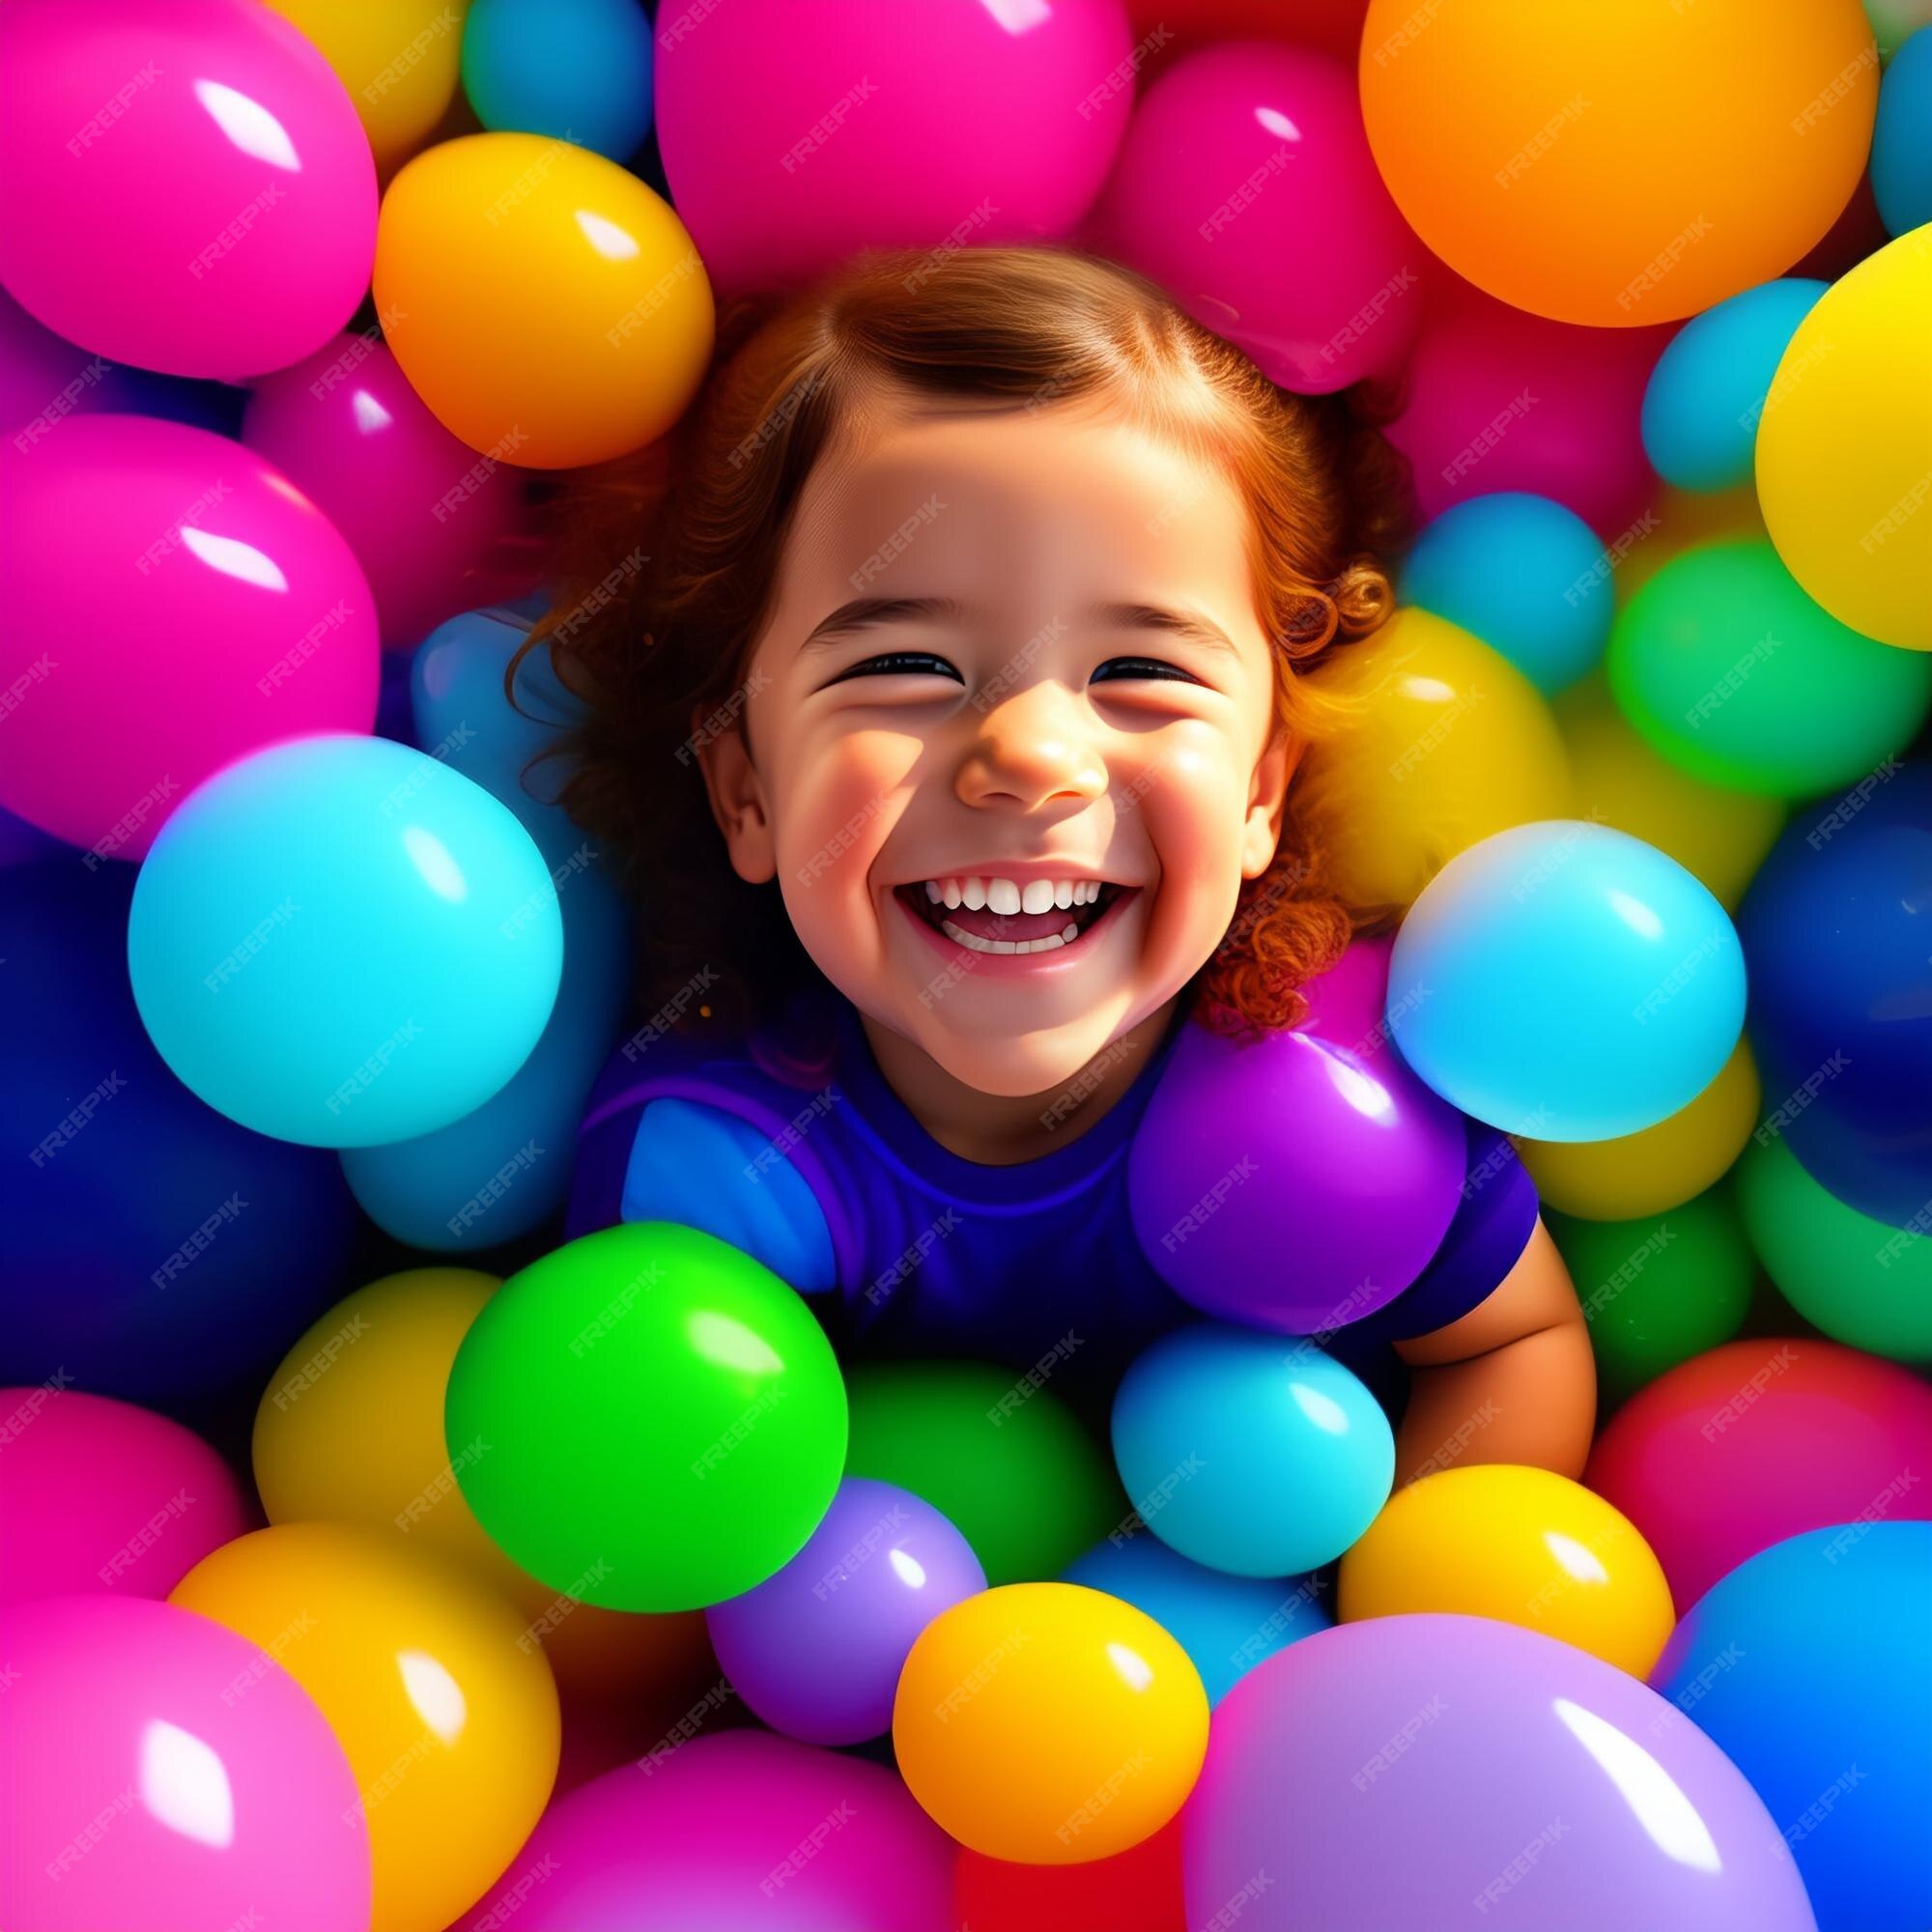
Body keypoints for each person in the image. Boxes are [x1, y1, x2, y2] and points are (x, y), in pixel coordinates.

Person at [528, 244, 1595, 1486]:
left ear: (1259, 787)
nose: (1031, 755)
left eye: (1137, 672)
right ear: (747, 792)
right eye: (904, 667)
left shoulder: (1357, 1099)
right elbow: (669, 1515)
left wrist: (1399, 1628)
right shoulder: (713, 1171)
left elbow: (1507, 1340)